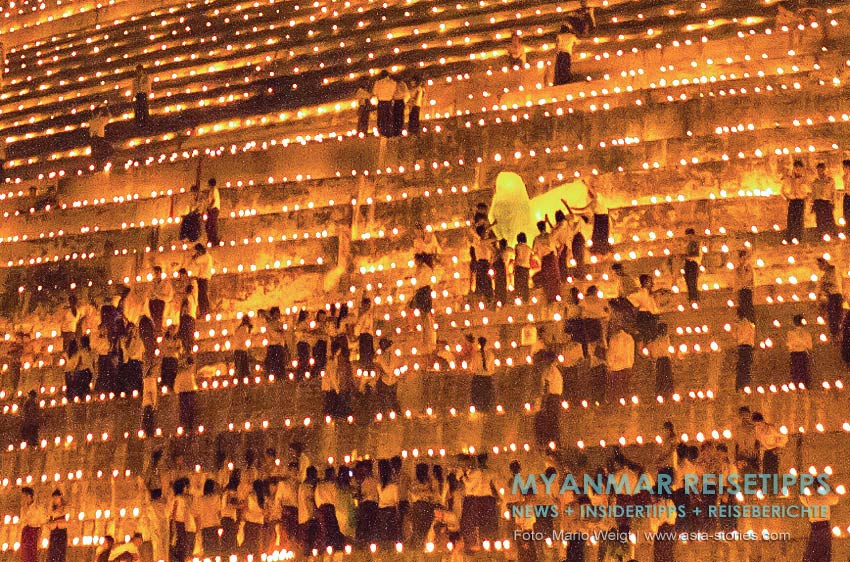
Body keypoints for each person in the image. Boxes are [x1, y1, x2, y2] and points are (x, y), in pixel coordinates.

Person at [752, 412, 787, 483]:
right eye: (756, 424)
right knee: (765, 471)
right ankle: (767, 489)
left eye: (759, 424)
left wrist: (779, 447)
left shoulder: (772, 428)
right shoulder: (757, 429)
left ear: (763, 421)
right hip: (766, 452)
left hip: (774, 452)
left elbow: (784, 437)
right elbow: (758, 439)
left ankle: (774, 491)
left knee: (773, 472)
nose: (758, 426)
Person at [407, 463, 436, 550]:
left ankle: (417, 549)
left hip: (418, 507)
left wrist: (419, 495)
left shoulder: (414, 483)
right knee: (424, 532)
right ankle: (422, 549)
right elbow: (433, 495)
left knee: (417, 531)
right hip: (426, 508)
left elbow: (412, 497)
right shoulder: (429, 482)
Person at [315, 467, 343, 552]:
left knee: (325, 530)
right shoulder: (333, 485)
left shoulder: (319, 485)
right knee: (332, 529)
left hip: (322, 508)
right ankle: (334, 549)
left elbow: (317, 498)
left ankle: (327, 549)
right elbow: (336, 498)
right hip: (330, 508)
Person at [532, 220, 560, 303]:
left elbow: (534, 250)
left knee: (547, 279)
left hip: (544, 259)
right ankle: (556, 297)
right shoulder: (550, 236)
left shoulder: (537, 239)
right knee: (554, 278)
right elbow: (557, 245)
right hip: (551, 258)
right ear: (545, 227)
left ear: (538, 229)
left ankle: (550, 298)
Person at [628, 274, 660, 345]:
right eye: (650, 282)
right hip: (644, 317)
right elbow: (631, 300)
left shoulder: (650, 294)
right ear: (645, 282)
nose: (652, 284)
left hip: (651, 318)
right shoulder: (640, 293)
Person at [782, 160, 808, 243]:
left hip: (800, 201)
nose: (797, 170)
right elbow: (782, 190)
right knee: (791, 220)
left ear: (802, 169)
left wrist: (806, 197)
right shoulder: (789, 179)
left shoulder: (805, 179)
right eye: (796, 168)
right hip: (792, 201)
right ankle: (790, 238)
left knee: (799, 220)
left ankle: (799, 238)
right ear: (793, 168)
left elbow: (810, 191)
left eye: (799, 168)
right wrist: (786, 198)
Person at [606, 326, 635, 403]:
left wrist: (609, 365)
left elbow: (611, 353)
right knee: (625, 388)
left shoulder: (614, 339)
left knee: (617, 390)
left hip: (616, 368)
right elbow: (631, 353)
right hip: (627, 366)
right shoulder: (630, 338)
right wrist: (631, 364)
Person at [817, 257, 843, 336]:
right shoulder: (826, 274)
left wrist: (823, 288)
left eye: (820, 265)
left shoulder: (832, 271)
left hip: (834, 296)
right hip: (831, 296)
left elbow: (830, 285)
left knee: (834, 316)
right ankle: (834, 332)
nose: (819, 267)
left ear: (824, 263)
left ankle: (836, 332)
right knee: (832, 316)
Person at [376, 459, 400, 544]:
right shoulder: (394, 486)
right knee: (392, 535)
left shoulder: (379, 485)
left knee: (383, 534)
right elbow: (396, 500)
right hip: (391, 510)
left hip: (382, 510)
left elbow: (380, 498)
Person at [470, 336, 496, 413]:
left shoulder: (476, 355)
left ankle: (480, 411)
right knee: (486, 397)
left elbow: (473, 368)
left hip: (479, 378)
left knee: (479, 397)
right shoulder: (490, 354)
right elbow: (492, 368)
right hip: (487, 378)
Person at [297, 467, 319, 557]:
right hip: (309, 518)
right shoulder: (307, 487)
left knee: (307, 542)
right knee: (309, 542)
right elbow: (309, 502)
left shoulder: (302, 486)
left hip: (304, 518)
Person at [810, 162, 837, 236]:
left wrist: (833, 202)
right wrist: (812, 204)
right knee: (819, 219)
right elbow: (813, 194)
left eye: (821, 170)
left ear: (824, 170)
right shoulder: (815, 182)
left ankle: (831, 234)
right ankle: (821, 235)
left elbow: (833, 192)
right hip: (818, 202)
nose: (820, 172)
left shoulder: (830, 180)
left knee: (829, 219)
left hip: (827, 202)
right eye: (818, 170)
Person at [195, 480, 220, 556]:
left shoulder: (200, 499)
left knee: (206, 549)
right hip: (214, 524)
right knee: (215, 548)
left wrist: (198, 528)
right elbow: (219, 512)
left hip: (204, 525)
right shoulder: (216, 497)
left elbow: (198, 514)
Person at [648, 323, 673, 397]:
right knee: (661, 377)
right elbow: (655, 353)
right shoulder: (657, 340)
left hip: (665, 359)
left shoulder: (666, 338)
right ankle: (662, 393)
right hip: (661, 360)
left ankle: (667, 393)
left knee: (667, 377)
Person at [787, 314, 812, 387]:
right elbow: (810, 346)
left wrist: (796, 344)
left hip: (795, 355)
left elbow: (789, 346)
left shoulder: (790, 334)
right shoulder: (807, 334)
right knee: (804, 373)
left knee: (796, 373)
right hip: (802, 354)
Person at [189, 243, 213, 318]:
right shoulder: (207, 256)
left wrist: (195, 256)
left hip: (203, 278)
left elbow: (196, 261)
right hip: (202, 278)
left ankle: (204, 312)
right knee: (202, 296)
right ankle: (204, 312)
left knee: (202, 296)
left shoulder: (206, 257)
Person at [470, 224, 494, 302]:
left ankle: (483, 298)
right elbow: (495, 238)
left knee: (482, 281)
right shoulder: (483, 242)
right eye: (485, 232)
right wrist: (491, 225)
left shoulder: (479, 241)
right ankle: (487, 298)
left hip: (481, 264)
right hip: (483, 264)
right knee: (486, 280)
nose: (486, 233)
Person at [20, 487, 44, 562]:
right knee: (24, 555)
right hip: (26, 532)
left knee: (32, 555)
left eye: (24, 496)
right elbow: (22, 521)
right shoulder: (23, 508)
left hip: (34, 532)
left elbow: (41, 524)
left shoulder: (38, 508)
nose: (23, 499)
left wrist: (39, 538)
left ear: (29, 496)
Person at [734, 309, 756, 391]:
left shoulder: (743, 325)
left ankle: (741, 385)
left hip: (744, 347)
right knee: (746, 366)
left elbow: (740, 338)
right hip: (748, 347)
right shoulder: (750, 325)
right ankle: (744, 384)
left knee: (742, 367)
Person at [169, 480, 190, 562]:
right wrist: (174, 522)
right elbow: (174, 510)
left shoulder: (181, 498)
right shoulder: (178, 498)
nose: (185, 488)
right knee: (180, 540)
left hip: (181, 521)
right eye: (184, 486)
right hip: (178, 521)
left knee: (181, 540)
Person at [120, 324, 144, 395]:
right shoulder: (124, 339)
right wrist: (131, 338)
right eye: (130, 329)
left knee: (138, 377)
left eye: (133, 329)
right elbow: (129, 350)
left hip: (138, 360)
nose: (132, 331)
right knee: (130, 378)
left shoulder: (139, 338)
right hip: (129, 361)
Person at [148, 266, 172, 336]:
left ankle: (158, 331)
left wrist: (158, 295)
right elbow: (149, 293)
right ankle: (155, 330)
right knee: (153, 317)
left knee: (158, 317)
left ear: (161, 273)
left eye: (157, 272)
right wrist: (153, 296)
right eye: (155, 273)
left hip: (160, 303)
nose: (156, 274)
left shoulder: (166, 283)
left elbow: (168, 296)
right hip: (152, 302)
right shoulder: (152, 282)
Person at [243, 480, 265, 558]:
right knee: (257, 544)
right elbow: (266, 512)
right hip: (259, 523)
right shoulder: (263, 498)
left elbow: (245, 508)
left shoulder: (249, 496)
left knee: (249, 544)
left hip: (250, 522)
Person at [175, 357, 198, 430]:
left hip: (185, 392)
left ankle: (186, 426)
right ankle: (188, 426)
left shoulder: (183, 372)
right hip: (187, 392)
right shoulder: (188, 372)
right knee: (188, 410)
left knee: (185, 410)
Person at [219, 473, 240, 553]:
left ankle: (227, 553)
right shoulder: (230, 493)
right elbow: (230, 505)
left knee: (228, 538)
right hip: (228, 518)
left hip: (227, 517)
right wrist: (241, 506)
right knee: (230, 538)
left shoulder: (227, 492)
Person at [372, 71, 397, 137]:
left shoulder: (378, 83)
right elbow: (394, 90)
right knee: (389, 117)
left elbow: (374, 92)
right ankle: (389, 132)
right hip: (389, 102)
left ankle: (382, 131)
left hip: (381, 102)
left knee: (381, 118)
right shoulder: (392, 82)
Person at [46, 490, 68, 562]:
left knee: (60, 553)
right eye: (54, 498)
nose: (55, 500)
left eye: (56, 498)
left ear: (60, 498)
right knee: (52, 553)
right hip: (54, 533)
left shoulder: (65, 509)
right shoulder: (52, 510)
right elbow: (48, 523)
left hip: (61, 533)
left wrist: (57, 522)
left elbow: (67, 522)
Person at [734, 249, 755, 322]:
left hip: (748, 291)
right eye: (742, 258)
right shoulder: (738, 269)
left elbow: (748, 279)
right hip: (741, 291)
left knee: (748, 308)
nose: (744, 260)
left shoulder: (749, 268)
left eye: (745, 258)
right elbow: (739, 281)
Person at [683, 228, 701, 304]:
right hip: (688, 263)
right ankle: (691, 298)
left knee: (692, 281)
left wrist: (685, 256)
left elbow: (696, 254)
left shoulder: (695, 243)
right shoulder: (688, 244)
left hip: (693, 263)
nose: (688, 238)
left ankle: (694, 298)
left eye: (690, 236)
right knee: (688, 281)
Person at [178, 284, 197, 355]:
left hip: (187, 317)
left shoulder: (187, 297)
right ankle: (188, 350)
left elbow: (183, 308)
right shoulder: (191, 297)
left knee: (186, 335)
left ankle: (187, 350)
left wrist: (181, 317)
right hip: (190, 317)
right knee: (189, 335)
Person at [513, 232, 532, 302]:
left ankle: (518, 298)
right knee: (525, 284)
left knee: (518, 283)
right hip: (526, 267)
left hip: (519, 266)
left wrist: (514, 266)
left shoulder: (518, 246)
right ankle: (526, 299)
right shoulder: (529, 248)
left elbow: (517, 257)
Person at [204, 178, 220, 246]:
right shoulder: (212, 190)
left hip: (214, 209)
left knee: (212, 225)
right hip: (212, 209)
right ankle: (211, 239)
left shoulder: (214, 190)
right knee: (209, 225)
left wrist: (209, 207)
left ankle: (214, 240)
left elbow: (213, 200)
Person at [843, 159, 850, 229]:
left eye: (845, 167)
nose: (843, 169)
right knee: (846, 215)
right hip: (847, 196)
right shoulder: (844, 177)